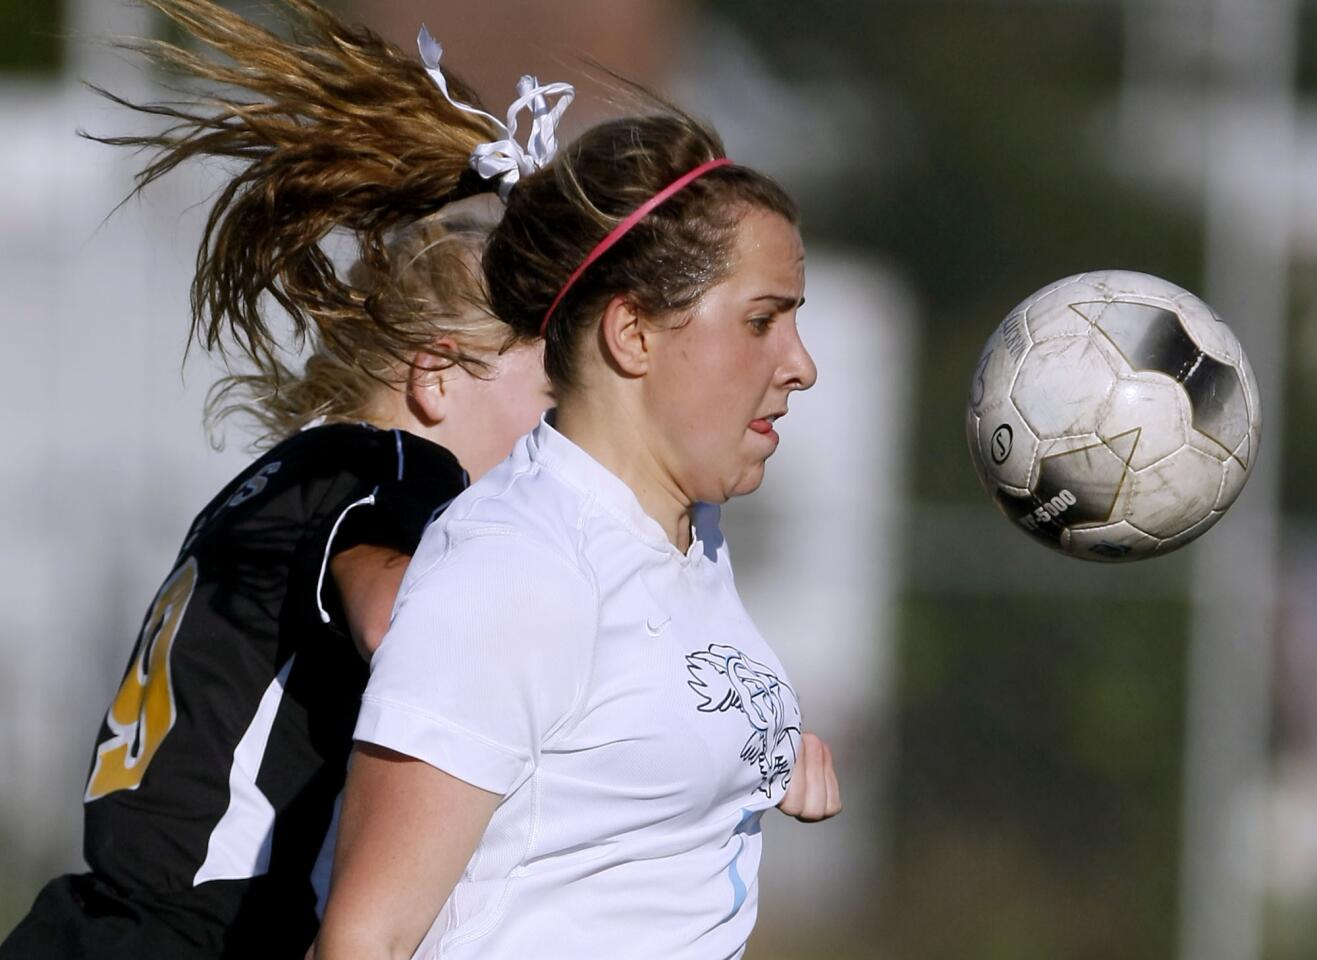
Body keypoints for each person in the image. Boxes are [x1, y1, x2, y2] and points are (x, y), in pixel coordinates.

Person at [0, 1, 559, 957]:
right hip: (198, 938)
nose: (560, 428)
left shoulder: (290, 469)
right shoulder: (393, 469)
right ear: (437, 374)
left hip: (98, 917)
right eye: (550, 388)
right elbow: (388, 611)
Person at [316, 37, 843, 960]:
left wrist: (763, 746)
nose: (799, 366)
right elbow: (365, 941)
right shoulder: (517, 571)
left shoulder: (685, 534)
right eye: (762, 321)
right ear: (633, 332)